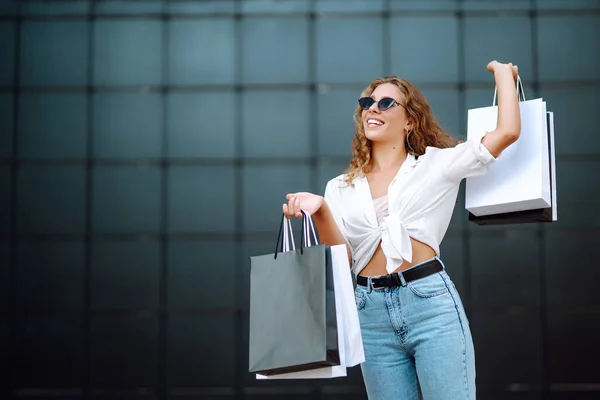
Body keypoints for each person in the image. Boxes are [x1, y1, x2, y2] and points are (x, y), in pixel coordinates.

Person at [282, 60, 521, 399]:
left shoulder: (437, 164)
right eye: (367, 103)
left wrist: (502, 74)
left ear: (410, 120)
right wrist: (320, 209)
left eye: (385, 103)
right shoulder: (340, 186)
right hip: (370, 312)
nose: (372, 109)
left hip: (428, 302)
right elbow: (344, 259)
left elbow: (507, 132)